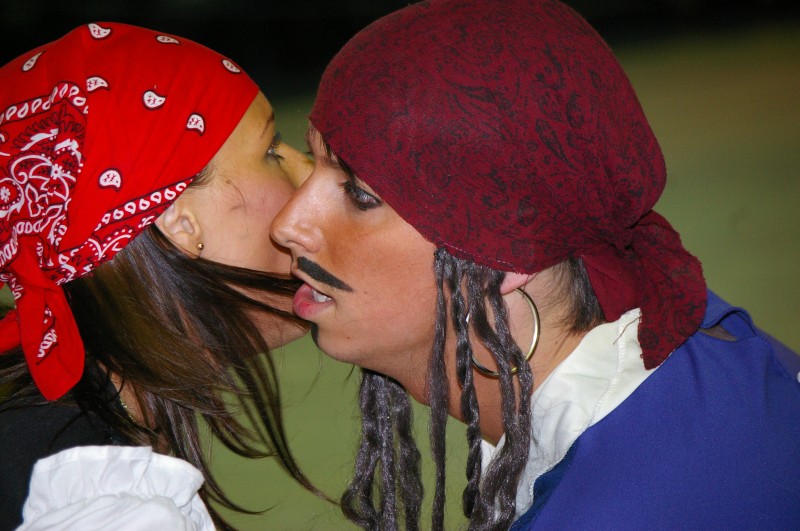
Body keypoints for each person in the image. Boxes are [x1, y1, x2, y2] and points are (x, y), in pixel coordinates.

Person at [270, 0, 800, 529]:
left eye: (360, 195)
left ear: (506, 249)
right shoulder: (714, 349)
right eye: (310, 161)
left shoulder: (611, 511)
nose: (288, 223)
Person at [0, 22, 314, 529]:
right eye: (272, 149)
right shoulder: (109, 510)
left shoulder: (66, 451)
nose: (308, 170)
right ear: (179, 222)